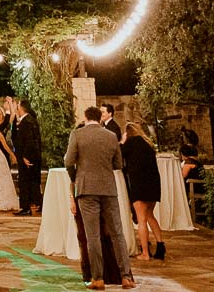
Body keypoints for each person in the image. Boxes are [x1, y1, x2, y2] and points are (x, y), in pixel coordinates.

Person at [65, 106, 135, 290]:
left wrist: (76, 176)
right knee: (117, 233)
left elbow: (68, 161)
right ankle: (126, 277)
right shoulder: (111, 136)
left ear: (85, 117)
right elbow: (119, 163)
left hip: (86, 188)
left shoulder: (77, 135)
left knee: (93, 235)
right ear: (100, 118)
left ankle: (98, 278)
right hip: (108, 188)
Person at [120, 123, 164, 260]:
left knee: (141, 219)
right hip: (154, 185)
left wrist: (122, 141)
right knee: (150, 215)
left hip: (140, 185)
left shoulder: (130, 143)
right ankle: (160, 245)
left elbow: (118, 153)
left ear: (127, 133)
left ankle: (145, 252)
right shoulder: (147, 145)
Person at [14, 98, 43, 216]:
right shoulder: (30, 120)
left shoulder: (26, 122)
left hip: (28, 157)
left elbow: (29, 140)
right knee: (33, 181)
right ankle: (37, 203)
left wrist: (25, 156)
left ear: (21, 108)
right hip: (33, 156)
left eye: (18, 106)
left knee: (25, 182)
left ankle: (25, 207)